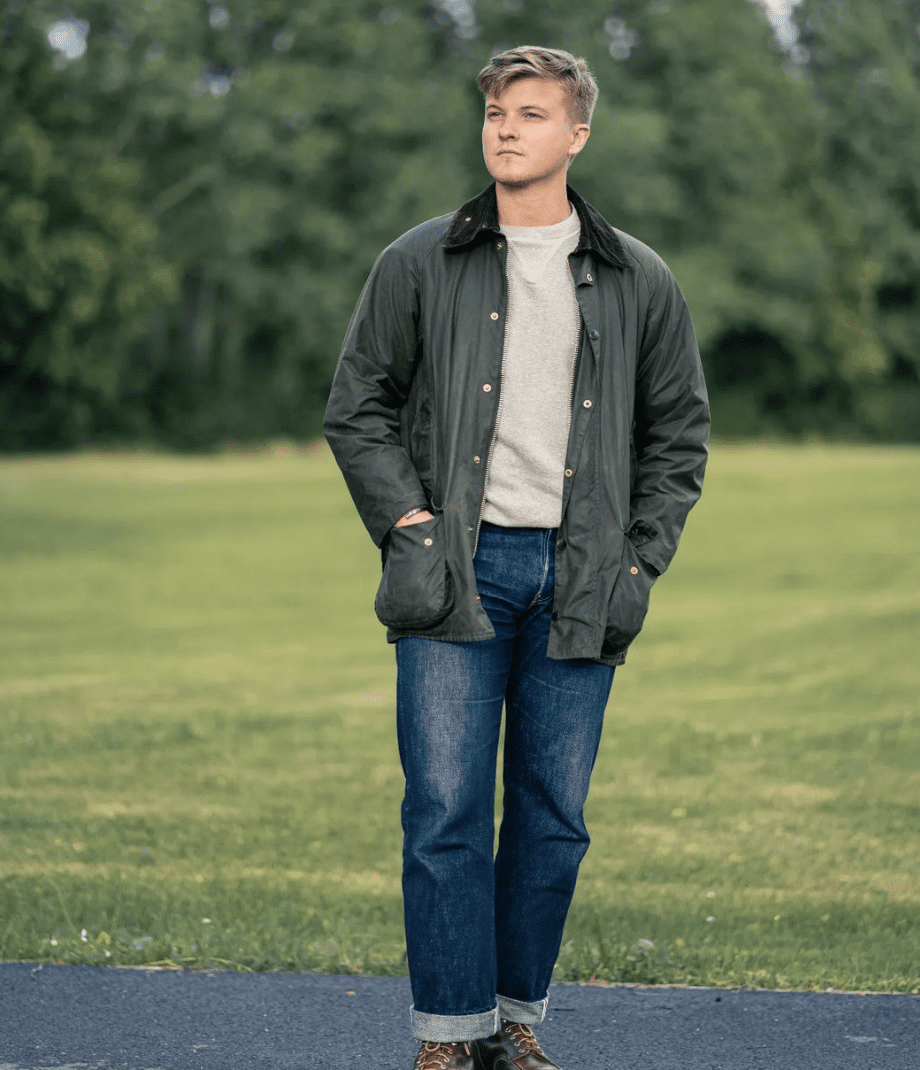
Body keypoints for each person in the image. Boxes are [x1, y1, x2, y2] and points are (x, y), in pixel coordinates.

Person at [324, 45, 709, 1070]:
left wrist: (637, 563)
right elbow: (355, 405)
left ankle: (513, 1016)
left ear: (575, 134)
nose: (504, 127)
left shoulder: (637, 276)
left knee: (551, 817)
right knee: (443, 809)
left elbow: (677, 437)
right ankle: (449, 1034)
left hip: (582, 580)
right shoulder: (418, 260)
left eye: (531, 113)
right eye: (496, 110)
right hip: (453, 572)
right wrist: (406, 523)